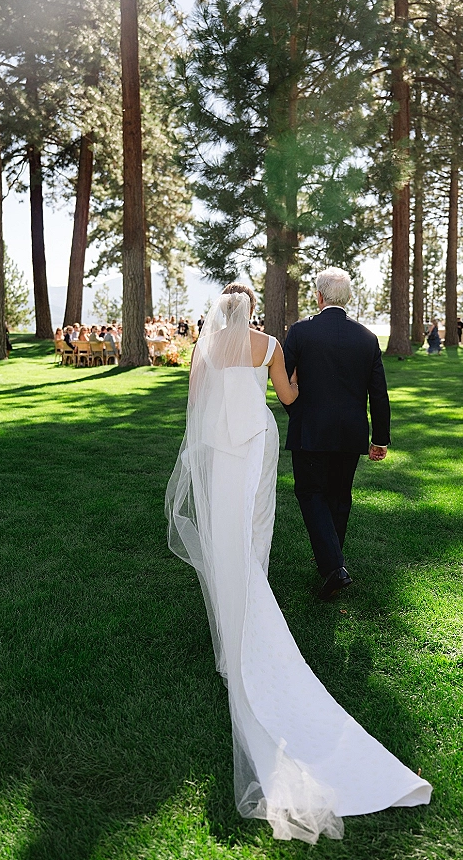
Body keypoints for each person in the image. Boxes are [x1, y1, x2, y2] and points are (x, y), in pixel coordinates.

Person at [166, 280, 431, 844]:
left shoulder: (206, 347)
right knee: (258, 520)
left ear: (219, 312)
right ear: (252, 311)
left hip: (217, 442)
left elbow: (194, 401)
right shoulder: (268, 345)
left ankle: (233, 586)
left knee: (222, 522)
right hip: (257, 439)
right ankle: (255, 581)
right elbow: (287, 397)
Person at [283, 268, 391, 600]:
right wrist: (380, 438)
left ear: (319, 297)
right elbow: (379, 393)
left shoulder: (301, 332)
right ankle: (331, 564)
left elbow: (283, 382)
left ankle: (333, 566)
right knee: (339, 497)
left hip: (310, 429)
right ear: (347, 299)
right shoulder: (367, 338)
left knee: (311, 493)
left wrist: (296, 414)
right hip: (351, 432)